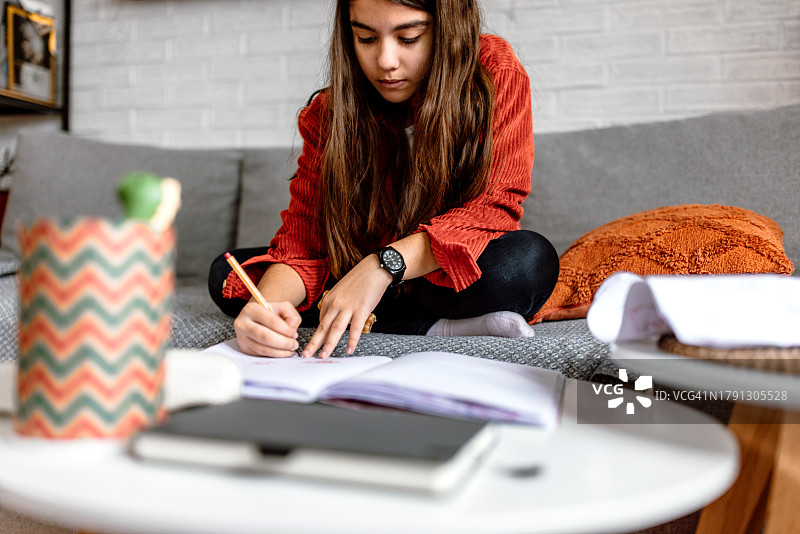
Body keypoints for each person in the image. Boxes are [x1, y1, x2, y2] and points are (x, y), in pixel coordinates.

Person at [209, 0, 559, 358]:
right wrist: (265, 311)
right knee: (227, 274)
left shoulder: (493, 72)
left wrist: (381, 267)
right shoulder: (328, 113)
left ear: (448, 28)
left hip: (430, 274)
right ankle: (429, 327)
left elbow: (492, 208)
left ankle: (369, 311)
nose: (386, 62)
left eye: (408, 38)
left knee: (526, 262)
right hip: (350, 268)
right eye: (365, 38)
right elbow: (303, 241)